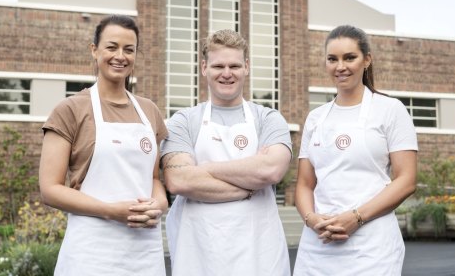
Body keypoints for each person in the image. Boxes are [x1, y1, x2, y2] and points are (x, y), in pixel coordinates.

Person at [39, 15, 167, 275]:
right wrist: (111, 211)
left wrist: (159, 204)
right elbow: (50, 189)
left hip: (144, 251)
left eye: (129, 50)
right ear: (94, 50)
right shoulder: (71, 110)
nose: (120, 56)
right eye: (112, 47)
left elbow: (153, 178)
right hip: (92, 252)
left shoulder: (149, 111)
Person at [161, 29, 292, 276]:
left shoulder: (269, 119)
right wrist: (252, 184)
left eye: (234, 65)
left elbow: (271, 170)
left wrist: (205, 169)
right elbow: (179, 180)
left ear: (247, 67)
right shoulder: (183, 121)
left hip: (260, 253)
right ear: (204, 68)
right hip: (199, 252)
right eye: (218, 66)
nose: (227, 73)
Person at [294, 25, 418, 275]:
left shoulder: (390, 110)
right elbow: (304, 184)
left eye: (350, 57)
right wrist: (311, 218)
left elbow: (406, 180)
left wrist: (356, 218)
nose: (341, 66)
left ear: (367, 60)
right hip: (318, 245)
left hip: (371, 247)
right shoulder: (316, 118)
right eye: (333, 59)